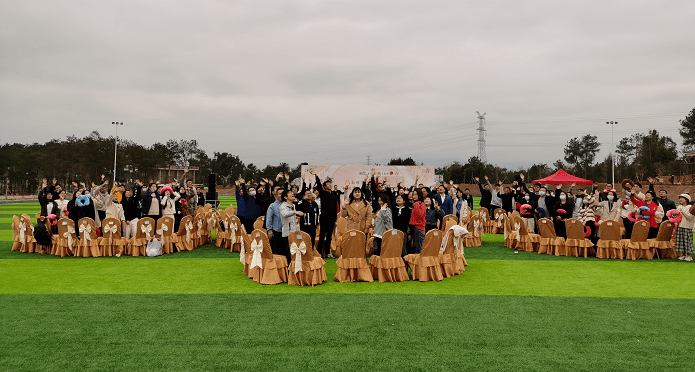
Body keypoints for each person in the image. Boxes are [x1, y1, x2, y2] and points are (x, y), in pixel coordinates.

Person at [312, 170, 341, 258]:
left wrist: (335, 220)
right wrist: (316, 176)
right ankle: (320, 252)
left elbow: (335, 208)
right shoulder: (323, 193)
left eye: (330, 184)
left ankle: (328, 253)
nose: (329, 185)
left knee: (329, 236)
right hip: (324, 218)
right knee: (322, 235)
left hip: (332, 219)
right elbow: (319, 186)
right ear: (324, 187)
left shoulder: (333, 195)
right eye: (327, 184)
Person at [279, 189, 300, 264]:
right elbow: (285, 214)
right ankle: (289, 271)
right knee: (289, 252)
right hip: (287, 232)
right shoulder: (282, 206)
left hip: (294, 231)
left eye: (292, 192)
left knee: (295, 251)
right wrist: (295, 212)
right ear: (285, 197)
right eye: (289, 193)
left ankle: (294, 268)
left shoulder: (293, 205)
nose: (292, 194)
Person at [673, 194, 695, 261]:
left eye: (682, 198)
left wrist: (682, 212)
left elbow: (690, 217)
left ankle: (689, 255)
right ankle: (682, 254)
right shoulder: (679, 206)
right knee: (680, 241)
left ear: (686, 199)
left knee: (687, 241)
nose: (680, 200)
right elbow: (677, 217)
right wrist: (674, 215)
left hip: (687, 226)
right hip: (680, 225)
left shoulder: (690, 207)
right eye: (680, 198)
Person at [265, 186, 284, 256]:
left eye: (283, 193)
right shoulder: (272, 206)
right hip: (276, 232)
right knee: (276, 253)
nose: (281, 195)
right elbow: (269, 219)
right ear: (276, 195)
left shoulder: (288, 205)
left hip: (286, 232)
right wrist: (269, 230)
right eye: (280, 193)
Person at [409, 189, 426, 253]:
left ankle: (419, 262)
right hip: (413, 227)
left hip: (419, 227)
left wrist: (416, 205)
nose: (414, 196)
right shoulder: (414, 204)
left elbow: (420, 215)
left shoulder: (422, 204)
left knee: (418, 248)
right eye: (413, 194)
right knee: (414, 247)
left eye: (416, 194)